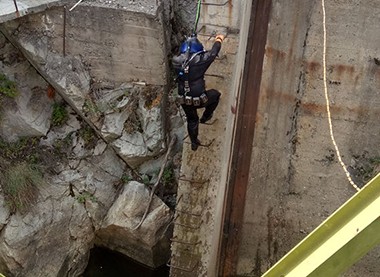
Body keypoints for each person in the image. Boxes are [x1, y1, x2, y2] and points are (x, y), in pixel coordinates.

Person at [172, 33, 225, 151]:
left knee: (192, 120)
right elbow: (212, 53)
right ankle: (206, 116)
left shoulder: (176, 61)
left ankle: (194, 142)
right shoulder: (200, 61)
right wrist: (218, 39)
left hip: (183, 98)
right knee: (215, 95)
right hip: (199, 98)